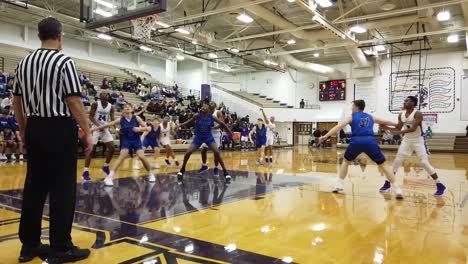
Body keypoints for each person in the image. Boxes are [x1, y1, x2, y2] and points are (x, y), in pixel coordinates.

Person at [12, 17, 92, 263]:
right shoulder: (64, 61)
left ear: (39, 35)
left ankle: (29, 245)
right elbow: (73, 100)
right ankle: (61, 246)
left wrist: (24, 130)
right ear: (60, 36)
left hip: (35, 125)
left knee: (34, 186)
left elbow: (17, 101)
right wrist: (87, 131)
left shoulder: (24, 62)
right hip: (58, 128)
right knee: (62, 188)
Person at [318, 100, 403, 199]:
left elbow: (338, 126)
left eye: (352, 106)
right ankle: (397, 189)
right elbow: (386, 122)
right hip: (370, 141)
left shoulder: (351, 117)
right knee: (383, 164)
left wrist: (326, 136)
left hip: (356, 141)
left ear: (356, 107)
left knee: (346, 161)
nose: (351, 108)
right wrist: (396, 124)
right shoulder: (371, 117)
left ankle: (339, 184)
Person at [379, 96, 446, 196]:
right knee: (397, 162)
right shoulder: (401, 114)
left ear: (413, 103)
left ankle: (440, 185)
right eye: (404, 100)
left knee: (424, 163)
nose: (404, 102)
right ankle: (387, 183)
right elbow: (398, 127)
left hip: (418, 141)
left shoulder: (418, 114)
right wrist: (385, 127)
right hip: (406, 141)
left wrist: (398, 132)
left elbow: (413, 128)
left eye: (407, 101)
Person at [92, 104, 155, 186]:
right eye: (125, 107)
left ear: (132, 109)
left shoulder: (137, 118)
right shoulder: (120, 119)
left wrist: (139, 129)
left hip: (136, 140)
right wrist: (93, 129)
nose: (127, 107)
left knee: (141, 156)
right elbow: (108, 125)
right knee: (121, 157)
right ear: (123, 110)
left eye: (129, 106)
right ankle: (109, 177)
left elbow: (148, 129)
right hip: (126, 140)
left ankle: (150, 174)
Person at [175, 102, 233, 183]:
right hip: (198, 137)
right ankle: (182, 169)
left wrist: (229, 132)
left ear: (208, 109)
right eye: (202, 106)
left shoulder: (212, 116)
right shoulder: (197, 115)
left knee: (217, 152)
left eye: (206, 107)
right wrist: (179, 125)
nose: (204, 107)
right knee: (188, 152)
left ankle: (225, 172)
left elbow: (222, 123)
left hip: (208, 137)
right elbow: (188, 122)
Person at [82, 92, 115, 181]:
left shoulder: (111, 107)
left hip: (104, 129)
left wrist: (112, 126)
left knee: (112, 148)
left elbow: (112, 119)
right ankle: (85, 172)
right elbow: (91, 117)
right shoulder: (95, 104)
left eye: (107, 95)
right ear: (100, 97)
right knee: (91, 150)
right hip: (95, 128)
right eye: (104, 95)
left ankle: (106, 166)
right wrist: (98, 126)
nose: (106, 95)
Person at [198, 102, 223, 176]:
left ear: (215, 106)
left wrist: (212, 127)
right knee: (203, 149)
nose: (211, 105)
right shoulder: (206, 113)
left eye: (212, 104)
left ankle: (216, 168)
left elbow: (221, 124)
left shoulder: (218, 113)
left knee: (216, 153)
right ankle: (204, 165)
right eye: (210, 104)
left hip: (216, 134)